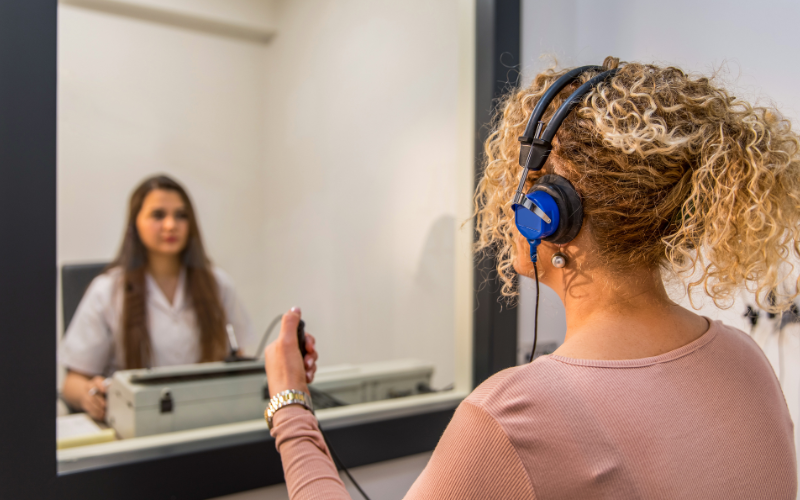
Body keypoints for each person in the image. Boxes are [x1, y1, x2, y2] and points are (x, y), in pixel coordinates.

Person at [264, 57, 799, 498]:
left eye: (524, 181)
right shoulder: (744, 359)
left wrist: (289, 402)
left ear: (550, 213)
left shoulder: (515, 416)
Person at [60, 175, 255, 420]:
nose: (171, 225)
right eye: (158, 215)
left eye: (181, 216)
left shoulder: (218, 284)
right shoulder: (108, 290)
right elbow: (71, 382)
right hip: (137, 425)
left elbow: (240, 363)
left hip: (206, 419)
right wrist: (90, 395)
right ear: (135, 223)